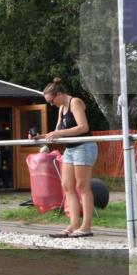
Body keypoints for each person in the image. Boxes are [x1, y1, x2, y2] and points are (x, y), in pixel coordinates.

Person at [38, 78, 98, 238]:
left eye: (51, 101)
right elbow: (57, 131)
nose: (51, 104)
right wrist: (40, 137)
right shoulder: (61, 108)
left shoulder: (75, 102)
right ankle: (74, 224)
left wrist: (59, 133)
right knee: (67, 186)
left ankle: (86, 227)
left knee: (82, 186)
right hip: (70, 149)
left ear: (58, 94)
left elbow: (83, 127)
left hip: (84, 146)